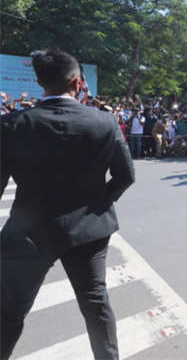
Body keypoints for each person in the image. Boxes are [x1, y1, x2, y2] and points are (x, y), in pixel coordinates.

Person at [0, 50, 135, 359]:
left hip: (28, 231)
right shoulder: (104, 121)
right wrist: (97, 204)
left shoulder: (13, 124)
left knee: (8, 311)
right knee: (96, 305)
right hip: (88, 231)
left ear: (39, 83)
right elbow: (126, 176)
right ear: (77, 82)